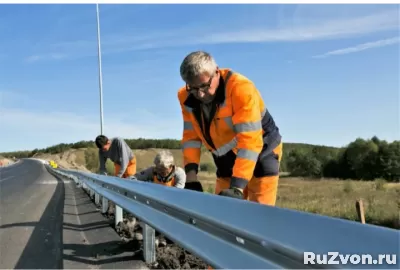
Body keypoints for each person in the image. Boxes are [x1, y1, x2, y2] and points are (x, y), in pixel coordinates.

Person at [177, 51, 283, 206]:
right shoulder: (185, 97)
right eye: (192, 88)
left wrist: (237, 188)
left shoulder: (241, 88)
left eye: (204, 86)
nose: (199, 94)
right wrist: (191, 178)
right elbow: (191, 138)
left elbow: (249, 142)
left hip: (262, 152)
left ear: (217, 72)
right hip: (225, 159)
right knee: (222, 213)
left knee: (259, 216)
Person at [132, 150, 185, 247]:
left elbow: (177, 193)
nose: (160, 172)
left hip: (172, 205)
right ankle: (145, 230)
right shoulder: (152, 171)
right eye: (158, 169)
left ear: (171, 167)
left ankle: (164, 236)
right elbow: (135, 177)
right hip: (155, 204)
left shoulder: (179, 174)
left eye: (162, 170)